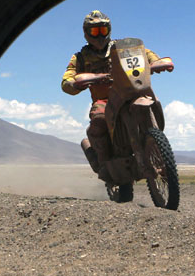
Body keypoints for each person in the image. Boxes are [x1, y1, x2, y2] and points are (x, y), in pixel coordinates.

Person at [61, 10, 173, 176]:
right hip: (104, 100)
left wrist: (155, 61)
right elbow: (67, 80)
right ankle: (104, 165)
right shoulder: (81, 58)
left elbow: (144, 53)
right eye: (94, 31)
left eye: (102, 30)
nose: (99, 35)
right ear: (86, 33)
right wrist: (75, 84)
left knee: (150, 100)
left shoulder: (123, 48)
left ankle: (156, 148)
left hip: (131, 91)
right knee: (98, 120)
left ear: (109, 30)